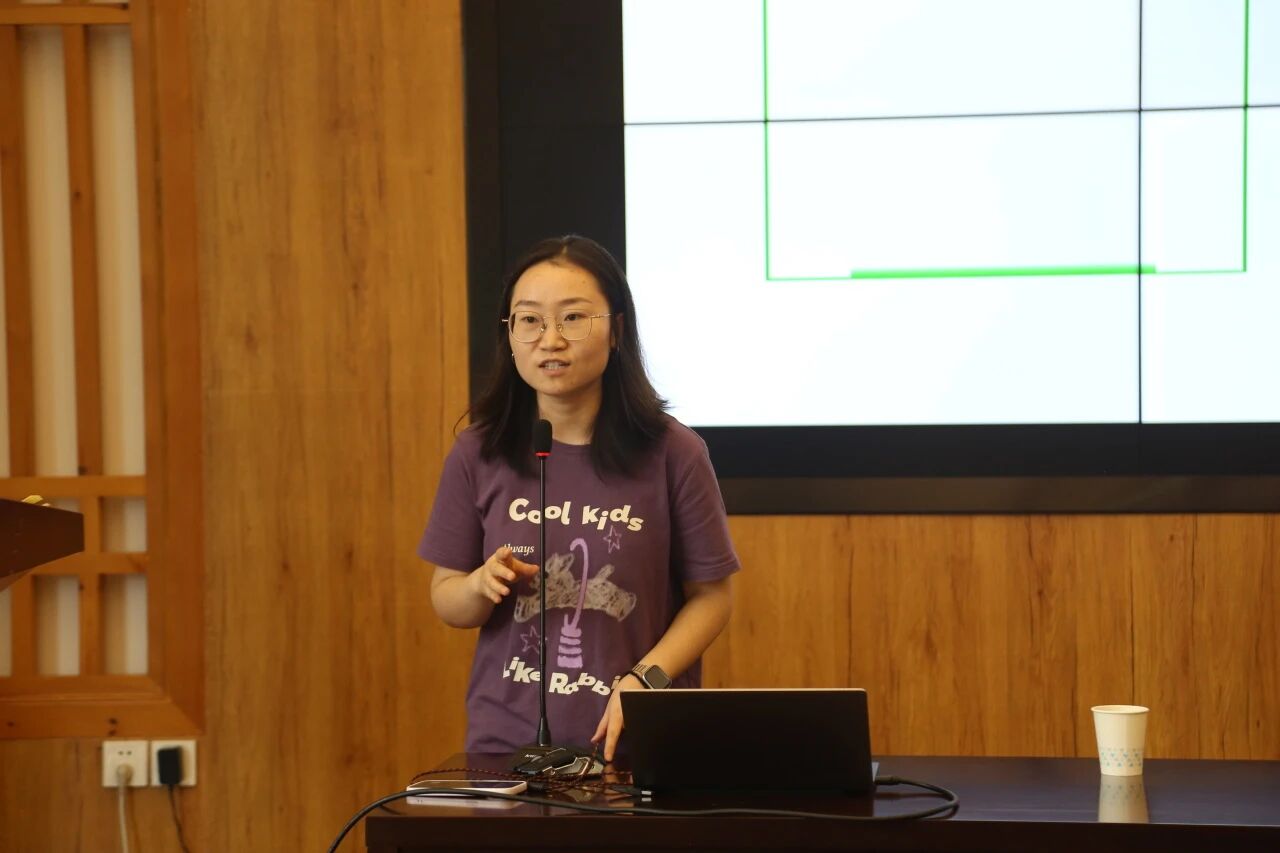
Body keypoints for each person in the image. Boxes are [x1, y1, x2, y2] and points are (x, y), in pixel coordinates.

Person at [418, 235, 739, 762]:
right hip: (509, 747)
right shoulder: (479, 450)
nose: (550, 340)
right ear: (510, 334)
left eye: (572, 318)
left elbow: (712, 597)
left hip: (635, 743)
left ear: (616, 331)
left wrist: (646, 679)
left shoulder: (674, 452)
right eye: (529, 320)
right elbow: (447, 597)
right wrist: (478, 585)